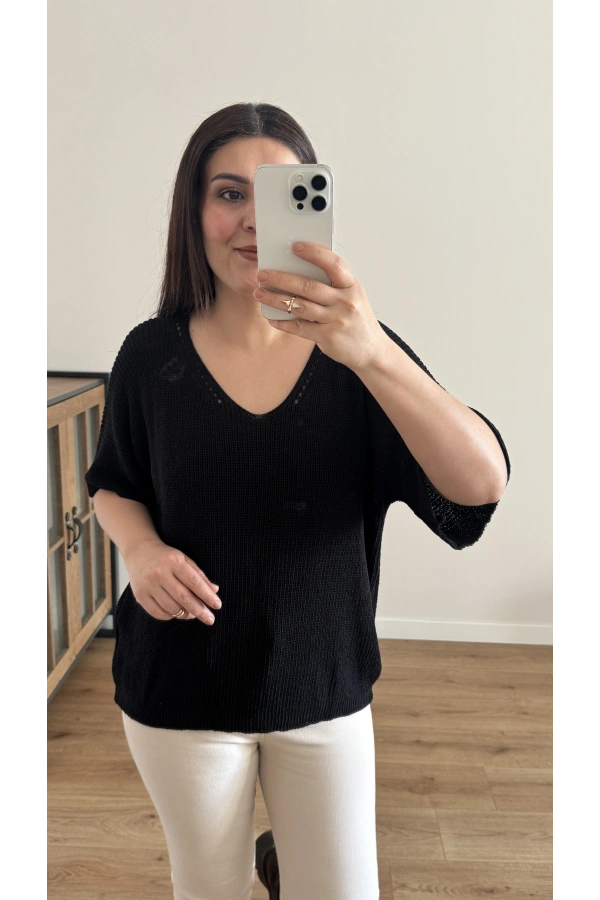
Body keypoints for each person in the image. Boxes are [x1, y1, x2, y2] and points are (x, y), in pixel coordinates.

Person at [85, 102, 511, 900]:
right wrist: (139, 549)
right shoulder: (150, 355)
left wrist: (372, 350)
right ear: (193, 211)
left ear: (317, 204)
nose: (253, 220)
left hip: (322, 683)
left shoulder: (360, 356)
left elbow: (479, 487)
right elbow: (114, 482)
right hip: (180, 683)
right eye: (228, 193)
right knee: (207, 888)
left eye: (281, 194)